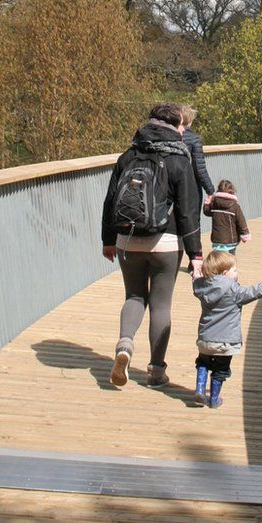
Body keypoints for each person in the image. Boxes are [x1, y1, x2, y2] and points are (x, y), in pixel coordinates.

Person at [101, 103, 203, 388]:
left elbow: (110, 201)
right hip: (166, 243)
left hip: (127, 240)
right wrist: (196, 254)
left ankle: (124, 346)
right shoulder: (180, 160)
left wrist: (108, 240)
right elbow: (187, 212)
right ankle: (156, 371)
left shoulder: (129, 155)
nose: (185, 130)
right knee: (161, 306)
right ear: (175, 127)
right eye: (183, 125)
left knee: (134, 296)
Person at [191, 251, 262, 408]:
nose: (237, 272)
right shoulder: (233, 290)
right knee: (220, 370)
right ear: (224, 272)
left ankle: (200, 389)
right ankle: (214, 399)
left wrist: (196, 272)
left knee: (203, 362)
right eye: (234, 270)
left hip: (205, 339)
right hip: (226, 342)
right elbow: (252, 292)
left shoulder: (202, 286)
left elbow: (196, 282)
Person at [180, 105, 215, 204]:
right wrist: (210, 190)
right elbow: (199, 168)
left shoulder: (169, 136)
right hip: (191, 186)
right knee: (192, 218)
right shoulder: (194, 139)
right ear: (190, 121)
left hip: (172, 187)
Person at [203, 180, 250, 255]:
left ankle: (219, 266)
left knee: (218, 258)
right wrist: (245, 234)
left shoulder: (214, 204)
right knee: (231, 258)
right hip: (231, 240)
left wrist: (207, 203)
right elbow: (241, 222)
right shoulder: (235, 207)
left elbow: (206, 212)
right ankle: (231, 265)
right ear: (232, 191)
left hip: (217, 239)